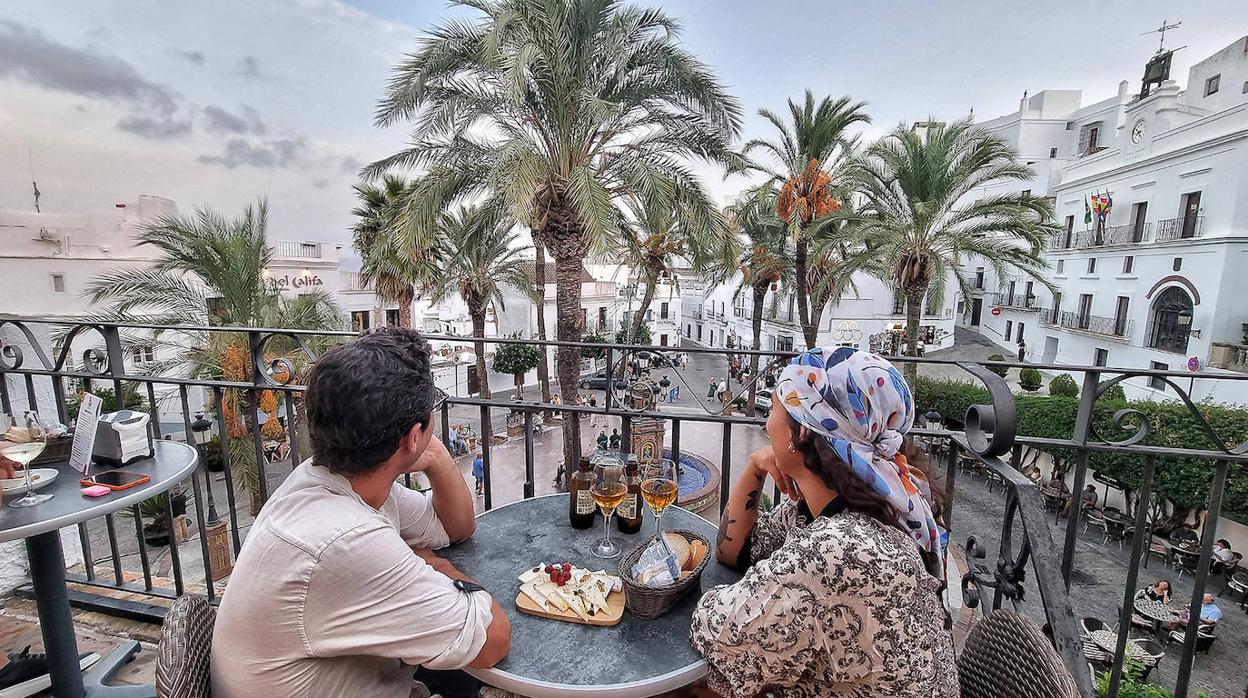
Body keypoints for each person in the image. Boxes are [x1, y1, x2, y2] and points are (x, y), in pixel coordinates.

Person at [211, 328, 510, 698]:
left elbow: (456, 528)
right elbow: (493, 638)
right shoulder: (347, 539)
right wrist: (438, 567)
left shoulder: (332, 481)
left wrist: (433, 456)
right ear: (411, 437)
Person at [691, 347, 957, 697]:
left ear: (800, 434)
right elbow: (736, 551)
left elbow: (720, 633)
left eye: (773, 409)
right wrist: (756, 467)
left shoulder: (842, 548)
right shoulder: (862, 499)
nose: (766, 423)